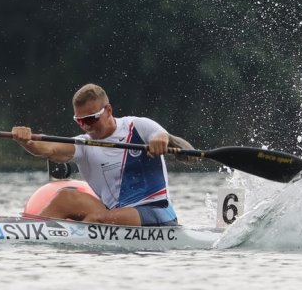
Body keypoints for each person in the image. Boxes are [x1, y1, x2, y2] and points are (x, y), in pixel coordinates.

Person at [11, 83, 193, 227]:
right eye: (80, 121)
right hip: (114, 213)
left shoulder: (138, 126)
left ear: (108, 111)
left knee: (97, 218)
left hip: (156, 211)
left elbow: (183, 149)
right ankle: (28, 231)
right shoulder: (83, 144)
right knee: (65, 197)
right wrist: (27, 142)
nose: (86, 126)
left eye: (90, 119)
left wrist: (162, 141)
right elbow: (49, 149)